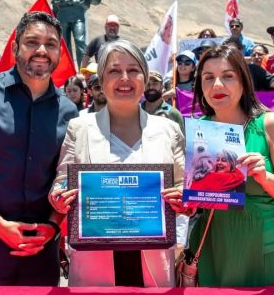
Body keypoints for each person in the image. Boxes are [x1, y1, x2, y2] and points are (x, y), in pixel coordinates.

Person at [0, 11, 79, 286]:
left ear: (59, 53)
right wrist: (0, 226)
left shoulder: (69, 112)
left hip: (41, 249)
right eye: (32, 42)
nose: (42, 50)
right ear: (15, 47)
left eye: (51, 44)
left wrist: (53, 227)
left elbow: (68, 176)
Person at [48, 39, 187, 287]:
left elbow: (183, 186)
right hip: (94, 263)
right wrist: (58, 196)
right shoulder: (79, 128)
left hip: (153, 263)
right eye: (114, 70)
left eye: (133, 70)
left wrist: (183, 198)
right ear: (101, 80)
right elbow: (61, 181)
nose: (125, 78)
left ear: (144, 78)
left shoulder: (169, 129)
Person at [187, 45, 274, 287]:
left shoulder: (269, 124)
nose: (217, 85)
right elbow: (198, 198)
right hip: (214, 244)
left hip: (266, 243)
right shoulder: (198, 129)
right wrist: (184, 198)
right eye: (208, 78)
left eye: (228, 76)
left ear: (243, 82)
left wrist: (265, 177)